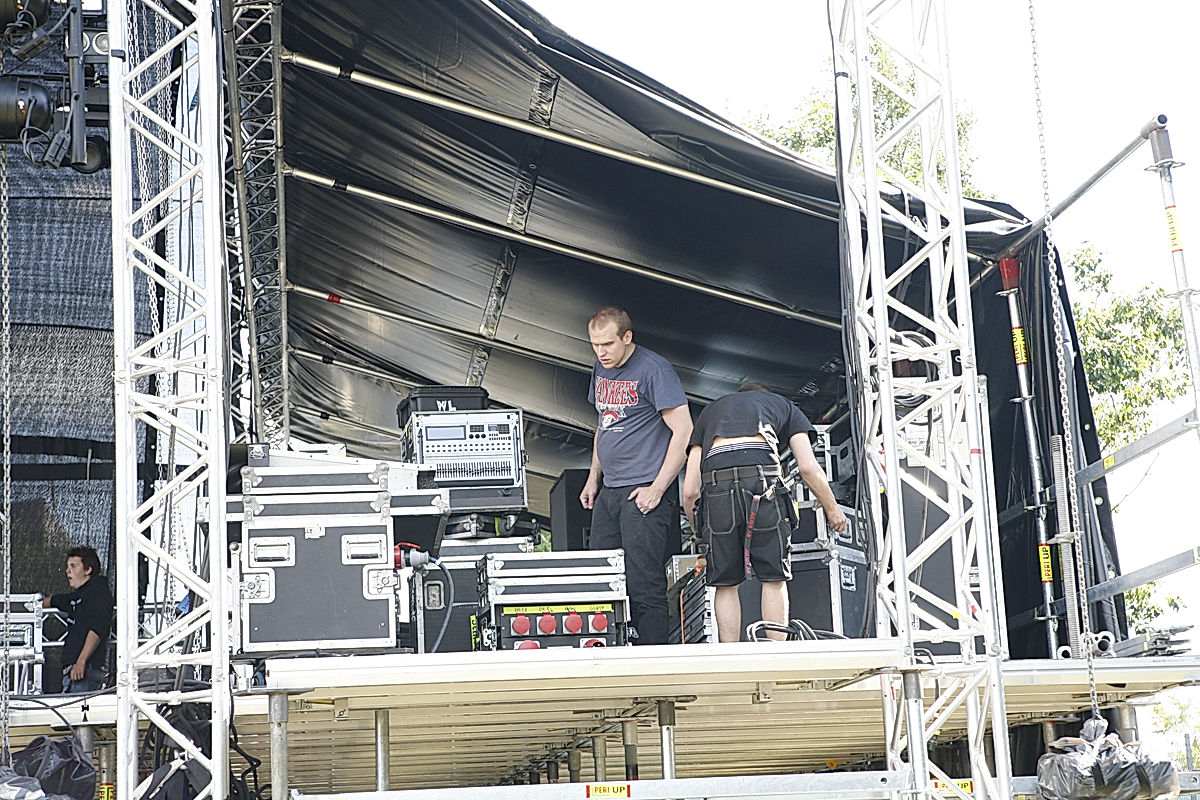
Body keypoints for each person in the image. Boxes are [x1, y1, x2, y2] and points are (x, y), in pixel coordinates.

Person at [682, 381, 847, 642]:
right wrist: (833, 509)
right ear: (766, 396)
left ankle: (730, 655)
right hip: (762, 487)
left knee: (725, 583)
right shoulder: (783, 406)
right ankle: (775, 654)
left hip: (717, 490)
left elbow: (690, 490)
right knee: (774, 577)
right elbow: (807, 467)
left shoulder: (710, 412)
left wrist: (698, 529)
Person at [580, 306, 692, 645]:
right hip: (610, 491)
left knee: (644, 582)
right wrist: (592, 479)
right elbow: (604, 423)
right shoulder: (601, 368)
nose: (601, 352)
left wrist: (657, 489)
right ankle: (610, 655)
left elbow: (684, 431)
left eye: (608, 344)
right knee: (601, 579)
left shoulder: (654, 369)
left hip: (643, 488)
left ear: (627, 337)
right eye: (595, 345)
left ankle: (653, 662)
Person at [42, 546, 112, 692]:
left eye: (73, 566)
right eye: (67, 567)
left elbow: (97, 628)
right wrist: (33, 603)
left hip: (85, 673)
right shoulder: (78, 596)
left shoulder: (98, 593)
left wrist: (81, 661)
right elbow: (58, 600)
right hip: (73, 672)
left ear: (88, 570)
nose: (68, 571)